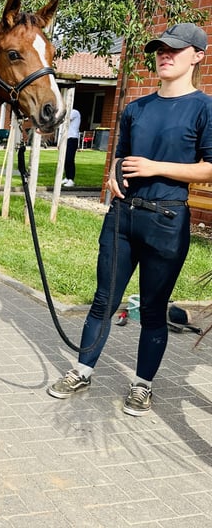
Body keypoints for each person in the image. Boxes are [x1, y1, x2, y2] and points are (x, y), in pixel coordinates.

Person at [47, 22, 212, 416]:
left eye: (174, 49)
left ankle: (142, 385)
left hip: (166, 221)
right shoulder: (136, 108)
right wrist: (113, 172)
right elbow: (120, 155)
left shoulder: (204, 108)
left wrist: (156, 167)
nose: (165, 55)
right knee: (104, 300)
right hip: (122, 218)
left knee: (153, 309)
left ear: (197, 56)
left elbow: (209, 167)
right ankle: (82, 370)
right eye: (160, 50)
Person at [62, 108, 81, 187]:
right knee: (65, 159)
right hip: (66, 138)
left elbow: (66, 119)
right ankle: (67, 177)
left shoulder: (74, 112)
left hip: (72, 138)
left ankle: (71, 179)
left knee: (70, 159)